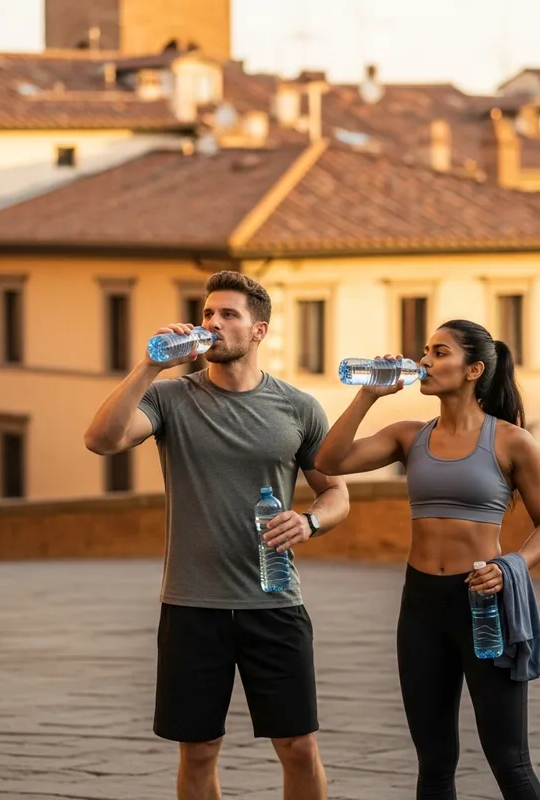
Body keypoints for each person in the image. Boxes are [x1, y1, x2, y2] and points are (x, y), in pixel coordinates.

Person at [84, 270, 349, 800]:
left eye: (228, 314)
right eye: (208, 313)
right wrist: (149, 363)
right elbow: (101, 439)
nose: (212, 323)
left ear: (259, 331)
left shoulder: (298, 408)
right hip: (191, 606)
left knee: (298, 746)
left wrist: (310, 521)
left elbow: (336, 494)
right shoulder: (170, 399)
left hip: (274, 602)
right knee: (199, 750)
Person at [314, 320, 540, 800]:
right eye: (425, 351)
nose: (424, 361)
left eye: (439, 352)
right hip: (421, 606)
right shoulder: (409, 436)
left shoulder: (511, 442)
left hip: (484, 606)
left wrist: (512, 566)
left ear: (473, 370)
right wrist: (368, 394)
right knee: (433, 762)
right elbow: (330, 460)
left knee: (509, 760)